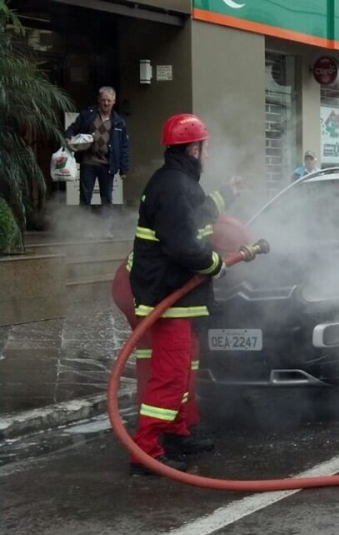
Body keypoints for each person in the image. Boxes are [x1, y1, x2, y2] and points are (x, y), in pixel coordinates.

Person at [127, 113, 236, 476]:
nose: (209, 153)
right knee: (170, 376)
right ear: (193, 149)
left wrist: (229, 194)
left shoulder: (181, 183)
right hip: (168, 297)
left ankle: (176, 431)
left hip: (180, 297)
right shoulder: (174, 186)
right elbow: (183, 245)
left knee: (186, 368)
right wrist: (215, 263)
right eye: (206, 147)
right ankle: (146, 450)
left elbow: (200, 213)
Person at [111, 211, 249, 461]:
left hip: (146, 287)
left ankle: (182, 423)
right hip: (133, 289)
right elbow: (198, 277)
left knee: (185, 355)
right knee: (164, 361)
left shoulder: (204, 236)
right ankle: (153, 435)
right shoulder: (200, 244)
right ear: (221, 241)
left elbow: (198, 282)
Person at [65, 86, 130, 236]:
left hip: (108, 164)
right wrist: (69, 137)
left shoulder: (119, 122)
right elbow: (72, 129)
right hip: (88, 162)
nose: (106, 103)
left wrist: (124, 168)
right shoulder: (87, 115)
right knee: (85, 196)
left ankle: (106, 229)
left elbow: (124, 147)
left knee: (107, 198)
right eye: (103, 100)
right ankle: (84, 229)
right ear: (98, 100)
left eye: (109, 100)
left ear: (114, 101)